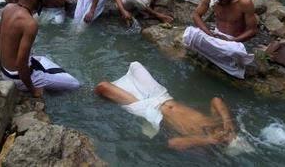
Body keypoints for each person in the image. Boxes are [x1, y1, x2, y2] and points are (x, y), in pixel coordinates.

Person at [95, 62, 238, 151]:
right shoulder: (216, 122)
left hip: (150, 109)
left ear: (221, 144)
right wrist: (227, 120)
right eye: (230, 134)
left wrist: (208, 140)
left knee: (103, 87)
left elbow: (173, 143)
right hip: (162, 96)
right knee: (135, 65)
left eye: (226, 139)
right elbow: (216, 100)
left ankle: (90, 98)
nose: (225, 134)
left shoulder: (202, 141)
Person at [0, 0, 80, 96]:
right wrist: (33, 89)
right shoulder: (29, 23)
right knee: (74, 84)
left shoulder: (8, 8)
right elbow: (21, 63)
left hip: (5, 71)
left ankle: (48, 74)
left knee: (43, 58)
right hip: (19, 78)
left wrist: (2, 67)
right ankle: (45, 78)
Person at [183, 0, 257, 79]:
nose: (219, 2)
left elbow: (252, 30)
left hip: (233, 42)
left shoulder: (244, 2)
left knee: (235, 51)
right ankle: (220, 57)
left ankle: (217, 55)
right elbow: (196, 15)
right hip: (215, 36)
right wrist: (208, 32)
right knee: (190, 33)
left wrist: (233, 40)